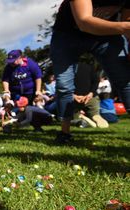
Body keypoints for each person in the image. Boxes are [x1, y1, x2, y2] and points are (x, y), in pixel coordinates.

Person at [50, 0, 130, 144]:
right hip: (67, 35)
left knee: (125, 79)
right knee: (64, 85)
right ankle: (64, 132)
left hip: (107, 35)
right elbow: (84, 22)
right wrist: (125, 27)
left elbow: (127, 19)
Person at [73, 62, 109, 128]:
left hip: (74, 99)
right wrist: (91, 93)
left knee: (72, 118)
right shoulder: (88, 66)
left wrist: (73, 96)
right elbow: (96, 81)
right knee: (95, 115)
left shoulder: (66, 69)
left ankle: (81, 117)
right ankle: (95, 117)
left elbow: (62, 86)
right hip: (91, 97)